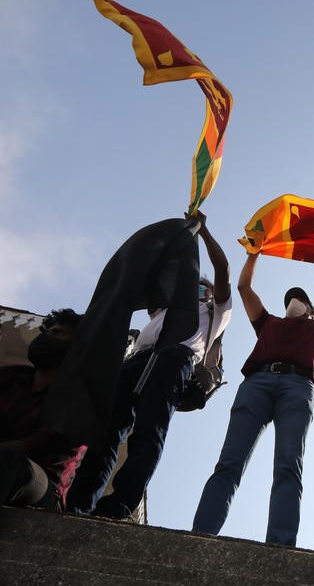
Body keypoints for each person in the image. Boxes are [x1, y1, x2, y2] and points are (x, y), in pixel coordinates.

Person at [192, 252, 314, 546]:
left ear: (312, 310)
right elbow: (244, 288)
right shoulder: (267, 323)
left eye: (301, 299)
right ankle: (200, 536)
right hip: (256, 384)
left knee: (288, 466)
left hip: (298, 387)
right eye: (291, 299)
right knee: (230, 461)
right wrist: (253, 255)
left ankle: (280, 547)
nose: (294, 302)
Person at [67, 211, 232, 519]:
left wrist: (204, 233)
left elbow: (222, 269)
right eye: (193, 285)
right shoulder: (162, 310)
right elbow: (155, 274)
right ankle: (80, 502)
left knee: (148, 430)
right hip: (138, 359)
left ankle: (119, 504)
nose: (197, 289)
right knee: (107, 431)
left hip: (174, 358)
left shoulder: (216, 311)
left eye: (203, 287)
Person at [0, 309, 85, 511]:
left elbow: (30, 446)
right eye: (47, 332)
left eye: (59, 333)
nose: (47, 337)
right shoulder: (10, 377)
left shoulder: (78, 402)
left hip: (42, 487)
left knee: (8, 458)